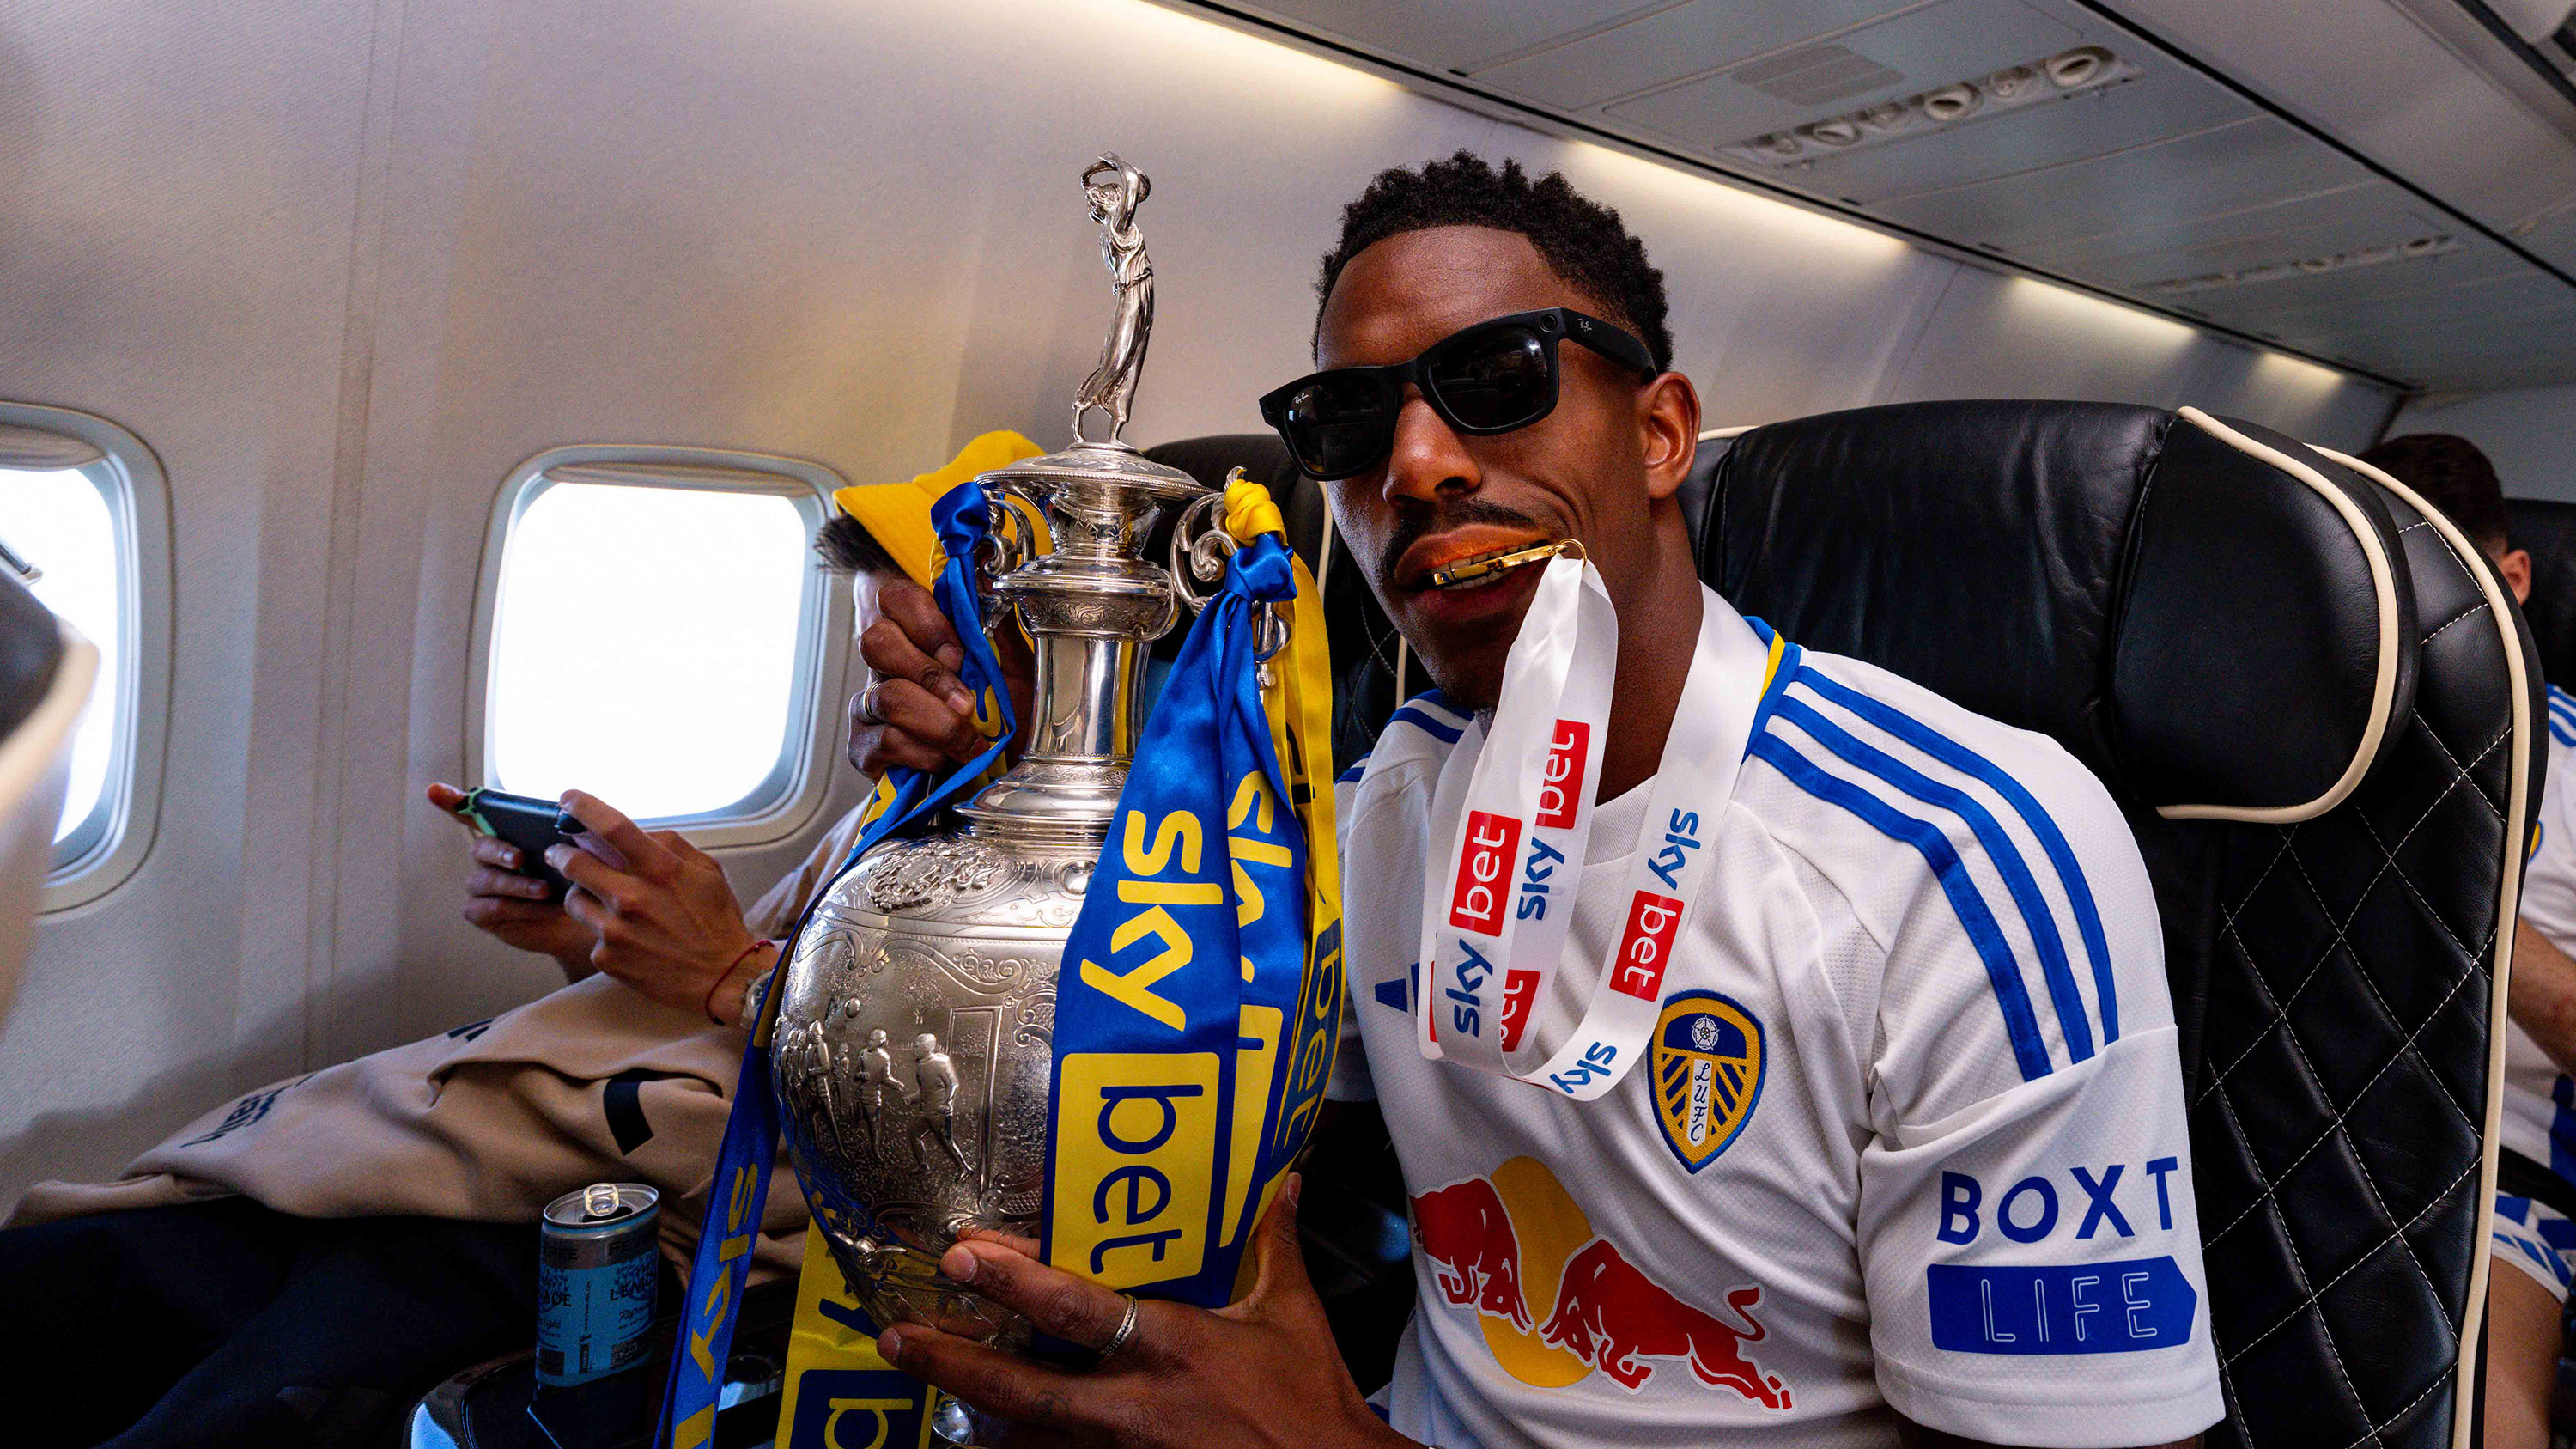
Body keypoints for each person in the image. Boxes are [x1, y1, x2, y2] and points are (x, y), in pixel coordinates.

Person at [858, 152, 2221, 1447]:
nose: (1415, 466)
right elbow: (1154, 1073)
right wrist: (1020, 778)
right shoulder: (1380, 812)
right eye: (1350, 421)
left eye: (1496, 379)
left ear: (1661, 432)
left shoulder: (1962, 853)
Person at [0, 441, 1024, 1449]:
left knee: (243, 1407)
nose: (883, 684)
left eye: (935, 653)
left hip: (613, 1225)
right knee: (75, 1282)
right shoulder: (895, 814)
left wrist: (727, 972)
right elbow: (717, 1033)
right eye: (870, 649)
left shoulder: (1099, 885)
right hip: (506, 1160)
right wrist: (596, 949)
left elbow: (971, 1139)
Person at [2354, 433, 2567, 1449]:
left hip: (2503, 1158)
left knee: (2475, 1419)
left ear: (2514, 579)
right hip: (2302, 1114)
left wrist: (2461, 909)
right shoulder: (2300, 744)